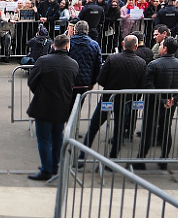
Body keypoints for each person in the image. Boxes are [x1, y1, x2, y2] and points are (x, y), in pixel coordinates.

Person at [81, 35, 147, 160]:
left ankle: (82, 156)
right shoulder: (141, 63)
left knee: (94, 127)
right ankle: (113, 158)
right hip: (126, 101)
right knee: (119, 131)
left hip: (108, 99)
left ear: (123, 44)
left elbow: (101, 79)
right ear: (136, 47)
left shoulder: (112, 59)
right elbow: (141, 86)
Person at [27, 34, 79, 181]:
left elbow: (32, 81)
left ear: (54, 46)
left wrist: (40, 92)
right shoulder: (73, 64)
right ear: (68, 46)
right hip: (62, 105)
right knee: (57, 137)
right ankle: (54, 165)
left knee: (44, 139)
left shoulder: (43, 61)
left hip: (43, 105)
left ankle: (46, 170)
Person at [135, 37, 178, 169]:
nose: (159, 47)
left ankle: (141, 160)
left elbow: (149, 86)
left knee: (148, 131)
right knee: (166, 130)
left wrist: (163, 100)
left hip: (153, 104)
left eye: (160, 46)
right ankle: (164, 159)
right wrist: (174, 99)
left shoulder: (154, 65)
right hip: (170, 104)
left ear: (165, 49)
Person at [67, 20, 101, 100]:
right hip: (85, 82)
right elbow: (97, 65)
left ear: (75, 30)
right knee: (79, 104)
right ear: (87, 31)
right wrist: (93, 82)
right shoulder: (94, 45)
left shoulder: (68, 43)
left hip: (69, 81)